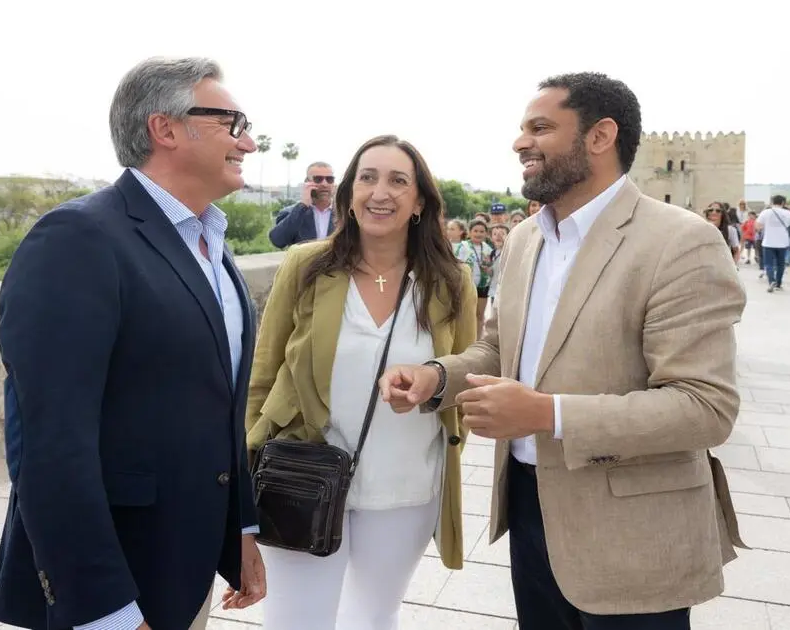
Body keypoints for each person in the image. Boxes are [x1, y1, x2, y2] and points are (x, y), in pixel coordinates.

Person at [379, 72, 747, 630]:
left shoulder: (681, 241)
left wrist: (547, 414)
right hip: (530, 511)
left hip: (634, 534)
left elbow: (704, 407)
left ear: (599, 137)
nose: (520, 142)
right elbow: (500, 349)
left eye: (540, 128)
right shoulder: (527, 239)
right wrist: (437, 377)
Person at [0, 57, 266, 630]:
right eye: (232, 122)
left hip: (183, 568)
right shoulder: (77, 239)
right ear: (164, 129)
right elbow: (48, 446)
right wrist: (104, 610)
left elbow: (218, 407)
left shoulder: (210, 242)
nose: (250, 141)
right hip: (114, 580)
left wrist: (237, 531)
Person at [246, 134, 477, 629]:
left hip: (406, 485)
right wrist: (245, 467)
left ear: (419, 202)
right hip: (301, 477)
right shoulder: (304, 265)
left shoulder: (450, 281)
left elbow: (465, 374)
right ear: (350, 193)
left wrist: (429, 385)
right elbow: (262, 376)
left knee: (373, 617)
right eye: (368, 178)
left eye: (398, 181)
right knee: (296, 621)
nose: (381, 192)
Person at [269, 162, 337, 248]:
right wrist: (303, 206)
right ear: (307, 182)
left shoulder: (345, 213)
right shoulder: (291, 213)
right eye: (318, 179)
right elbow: (278, 241)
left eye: (329, 179)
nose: (324, 184)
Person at [454, 218, 495, 337]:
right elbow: (455, 265)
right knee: (465, 314)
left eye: (482, 231)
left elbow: (493, 270)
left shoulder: (488, 249)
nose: (478, 234)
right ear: (469, 232)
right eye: (475, 231)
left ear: (486, 234)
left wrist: (488, 270)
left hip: (483, 285)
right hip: (465, 285)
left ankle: (477, 340)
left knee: (479, 314)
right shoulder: (462, 246)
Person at [757, 195, 790, 292]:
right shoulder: (788, 213)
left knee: (768, 263)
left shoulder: (766, 212)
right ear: (783, 203)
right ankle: (778, 283)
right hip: (783, 242)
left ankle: (771, 281)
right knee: (780, 264)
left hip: (768, 242)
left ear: (772, 202)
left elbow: (758, 225)